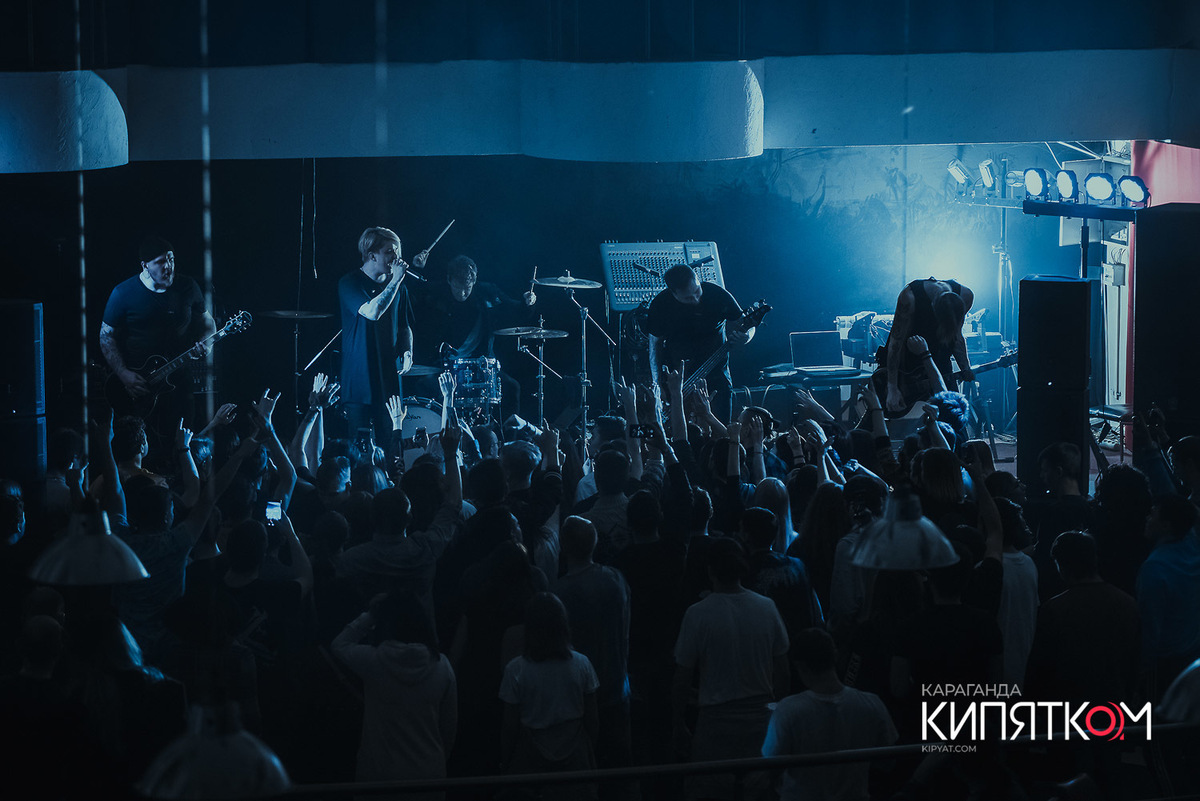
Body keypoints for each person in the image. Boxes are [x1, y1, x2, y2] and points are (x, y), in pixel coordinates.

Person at [762, 628, 898, 801]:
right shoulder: (872, 704)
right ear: (835, 656)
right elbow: (888, 761)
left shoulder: (788, 710)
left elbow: (771, 765)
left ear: (800, 666)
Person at [100, 236, 215, 433]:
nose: (168, 266)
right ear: (145, 265)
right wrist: (123, 373)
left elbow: (207, 321)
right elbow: (106, 336)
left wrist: (207, 343)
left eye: (171, 259)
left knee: (182, 439)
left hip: (179, 383)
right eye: (161, 262)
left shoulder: (187, 287)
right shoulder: (123, 293)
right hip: (139, 386)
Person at [409, 254, 536, 418]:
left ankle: (507, 433)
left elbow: (516, 310)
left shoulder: (487, 293)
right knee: (424, 386)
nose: (462, 293)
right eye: (458, 288)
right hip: (445, 366)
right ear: (449, 280)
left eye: (467, 288)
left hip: (481, 366)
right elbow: (412, 293)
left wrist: (527, 303)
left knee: (512, 387)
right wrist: (416, 267)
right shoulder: (436, 293)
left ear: (474, 282)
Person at [338, 227, 425, 439]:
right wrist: (395, 281)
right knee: (359, 448)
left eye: (397, 251)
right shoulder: (350, 282)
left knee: (392, 444)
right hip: (360, 380)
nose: (396, 257)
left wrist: (407, 350)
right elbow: (372, 312)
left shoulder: (399, 287)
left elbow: (404, 325)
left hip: (389, 380)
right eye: (389, 251)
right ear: (372, 255)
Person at [643, 263, 754, 423]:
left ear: (698, 280)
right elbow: (655, 346)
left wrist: (747, 337)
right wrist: (657, 384)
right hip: (680, 374)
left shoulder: (717, 294)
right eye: (688, 298)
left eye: (697, 291)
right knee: (684, 429)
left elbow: (747, 324)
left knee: (721, 425)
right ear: (674, 293)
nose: (695, 299)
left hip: (716, 372)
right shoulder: (660, 304)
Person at [880, 278, 974, 413]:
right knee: (908, 418)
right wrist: (892, 388)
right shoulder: (910, 297)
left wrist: (965, 367)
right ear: (933, 305)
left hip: (940, 363)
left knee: (951, 414)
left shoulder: (965, 296)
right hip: (908, 369)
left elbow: (956, 334)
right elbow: (896, 343)